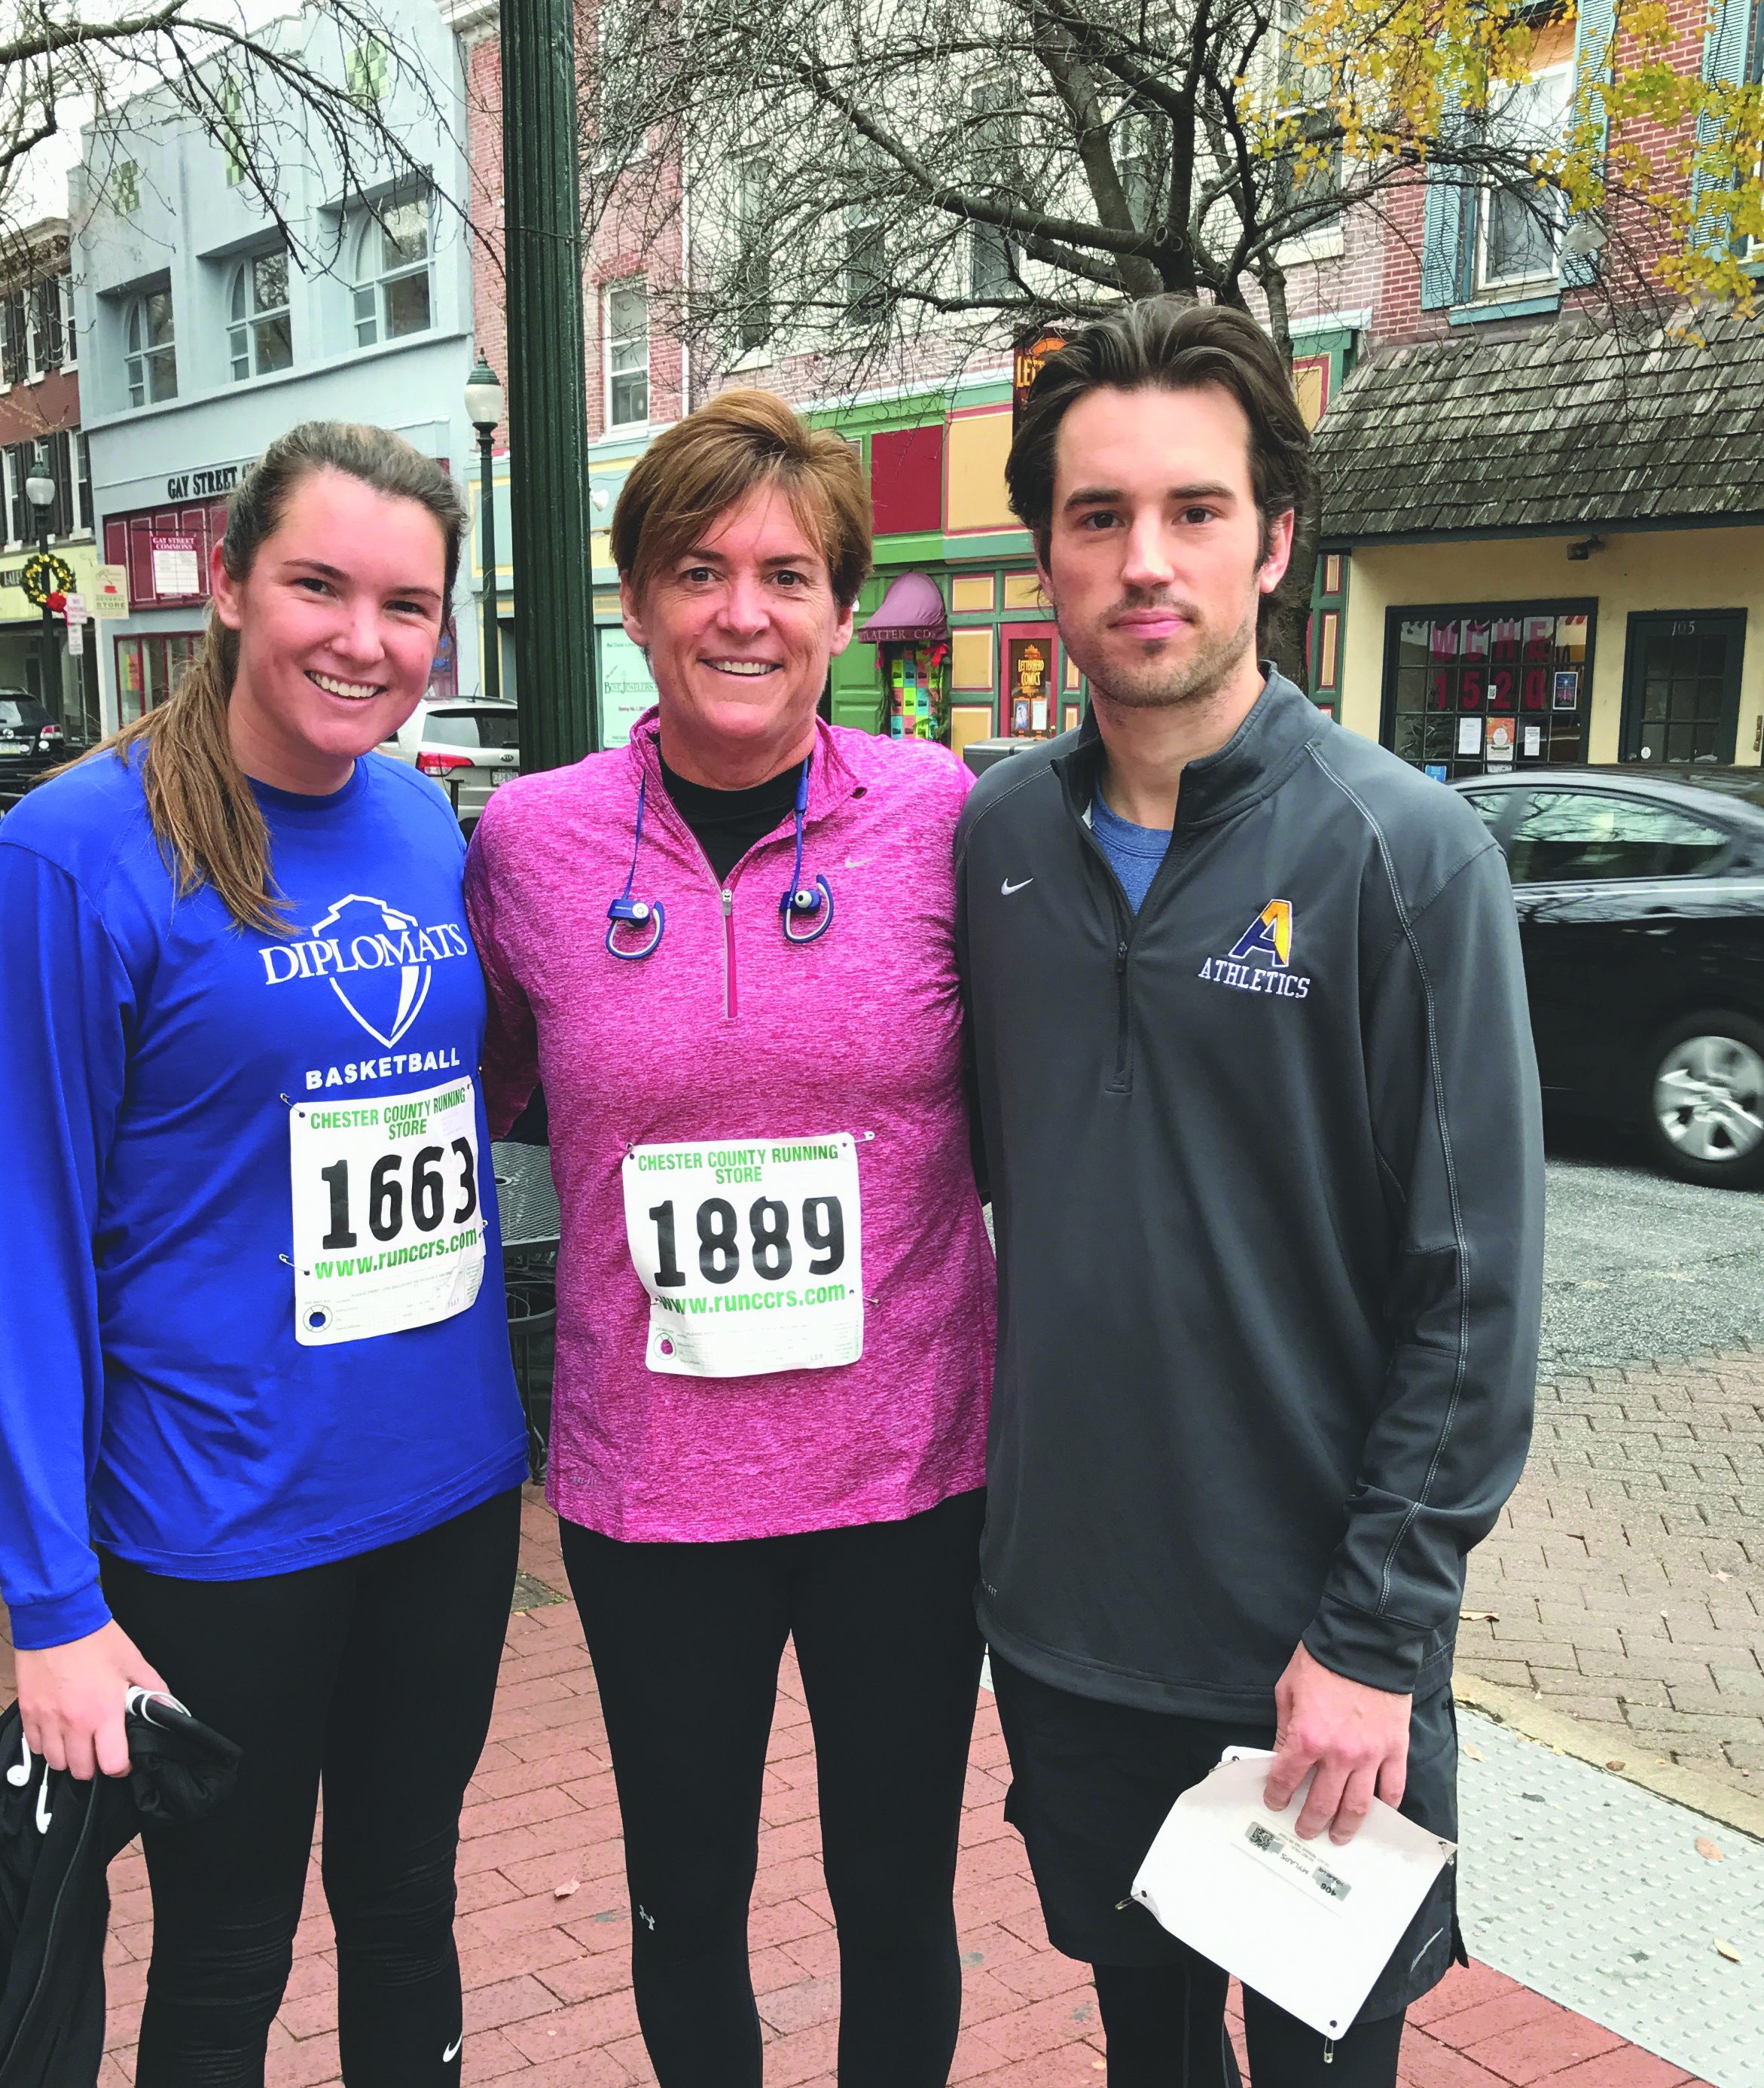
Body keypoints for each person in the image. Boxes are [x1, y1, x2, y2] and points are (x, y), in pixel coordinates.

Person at [955, 300, 1543, 2088]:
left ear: (1274, 540)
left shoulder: (1403, 857)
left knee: (1315, 2063)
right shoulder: (994, 846)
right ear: (1044, 547)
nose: (1147, 563)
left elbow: (1473, 1295)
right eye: (1097, 515)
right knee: (1144, 2046)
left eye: (1195, 512)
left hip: (1311, 1649)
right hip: (1069, 1627)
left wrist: (1372, 1636)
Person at [0, 422, 530, 2088]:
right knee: (226, 1951)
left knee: (408, 1904)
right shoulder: (79, 853)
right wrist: (52, 1601)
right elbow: (23, 1240)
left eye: (408, 606)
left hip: (447, 1494)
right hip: (219, 1527)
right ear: (226, 584)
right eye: (319, 586)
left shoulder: (428, 834)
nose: (366, 640)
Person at [465, 388, 996, 2088]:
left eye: (785, 574)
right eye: (698, 571)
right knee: (683, 1905)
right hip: (652, 1489)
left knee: (894, 1901)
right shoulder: (527, 845)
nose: (742, 613)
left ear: (844, 607)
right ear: (635, 603)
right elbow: (459, 1087)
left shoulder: (946, 817)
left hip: (907, 1481)